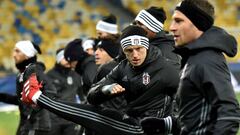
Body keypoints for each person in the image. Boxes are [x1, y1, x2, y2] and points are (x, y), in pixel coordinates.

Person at [21, 25, 180, 135]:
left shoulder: (167, 68)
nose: (135, 55)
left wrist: (170, 124)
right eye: (129, 51)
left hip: (144, 129)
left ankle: (36, 96)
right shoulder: (123, 67)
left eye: (139, 49)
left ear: (146, 46)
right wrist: (106, 91)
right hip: (129, 123)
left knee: (91, 115)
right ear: (124, 51)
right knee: (94, 112)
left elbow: (192, 97)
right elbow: (92, 95)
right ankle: (36, 96)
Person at [141, 0, 240, 134]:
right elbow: (195, 116)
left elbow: (229, 114)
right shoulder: (194, 58)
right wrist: (167, 124)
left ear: (198, 23)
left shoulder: (207, 59)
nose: (171, 27)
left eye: (179, 21)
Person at [0, 40, 56, 135]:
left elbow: (51, 91)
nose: (14, 55)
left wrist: (34, 110)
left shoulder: (33, 70)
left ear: (27, 55)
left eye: (17, 51)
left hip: (36, 125)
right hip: (26, 124)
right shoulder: (22, 74)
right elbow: (21, 101)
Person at [46, 48, 83, 135]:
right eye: (64, 58)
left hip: (71, 118)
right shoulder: (49, 75)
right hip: (53, 119)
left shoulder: (76, 75)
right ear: (58, 59)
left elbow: (81, 94)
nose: (67, 60)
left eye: (68, 58)